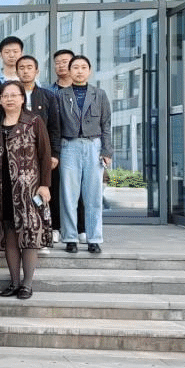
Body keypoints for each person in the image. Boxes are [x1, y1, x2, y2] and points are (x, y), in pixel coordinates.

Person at [0, 81, 52, 300]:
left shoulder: (33, 121)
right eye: (5, 96)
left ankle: (27, 283)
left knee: (29, 232)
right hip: (3, 188)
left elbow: (44, 154)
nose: (10, 99)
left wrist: (44, 184)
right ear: (0, 100)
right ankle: (14, 282)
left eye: (14, 95)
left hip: (29, 188)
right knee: (10, 234)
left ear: (23, 98)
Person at [56, 55, 111, 254]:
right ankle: (70, 238)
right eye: (75, 67)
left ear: (89, 71)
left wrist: (107, 151)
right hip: (69, 146)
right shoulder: (61, 95)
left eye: (83, 67)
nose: (79, 71)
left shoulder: (100, 94)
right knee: (68, 195)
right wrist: (56, 152)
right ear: (69, 71)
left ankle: (93, 238)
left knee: (93, 196)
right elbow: (56, 126)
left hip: (93, 146)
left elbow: (106, 125)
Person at [17, 55, 63, 242]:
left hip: (42, 152)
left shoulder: (48, 96)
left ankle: (53, 227)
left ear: (37, 71)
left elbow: (55, 127)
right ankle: (26, 227)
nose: (25, 71)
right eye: (22, 67)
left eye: (29, 67)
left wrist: (55, 154)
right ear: (17, 71)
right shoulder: (11, 94)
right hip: (19, 152)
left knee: (47, 188)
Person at [49, 49, 83, 242]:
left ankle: (80, 228)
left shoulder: (83, 92)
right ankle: (55, 226)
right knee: (54, 187)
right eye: (58, 62)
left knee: (78, 188)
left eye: (65, 62)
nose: (61, 65)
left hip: (78, 145)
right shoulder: (49, 92)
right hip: (55, 146)